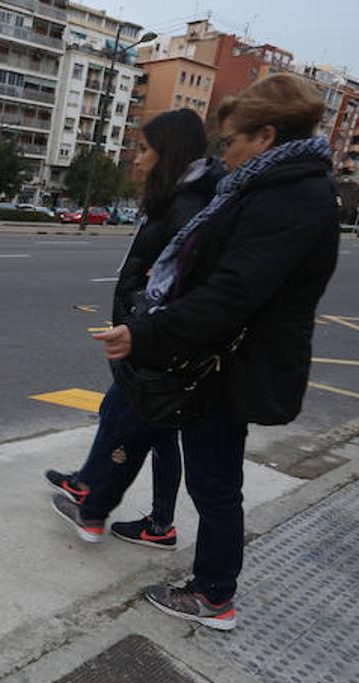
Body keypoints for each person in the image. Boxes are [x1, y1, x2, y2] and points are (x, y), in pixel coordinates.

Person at [87, 73, 339, 631]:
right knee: (208, 475)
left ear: (267, 136)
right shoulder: (273, 186)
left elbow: (234, 293)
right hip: (218, 357)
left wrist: (146, 333)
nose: (226, 154)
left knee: (216, 484)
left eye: (233, 142)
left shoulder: (292, 196)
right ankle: (159, 538)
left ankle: (212, 595)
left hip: (231, 363)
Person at [46, 109, 224, 550]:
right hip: (148, 340)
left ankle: (94, 508)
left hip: (154, 345)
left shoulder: (186, 206)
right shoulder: (177, 199)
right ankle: (105, 496)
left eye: (144, 149)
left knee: (136, 426)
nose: (136, 158)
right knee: (136, 421)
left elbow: (179, 284)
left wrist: (142, 316)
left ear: (169, 153)